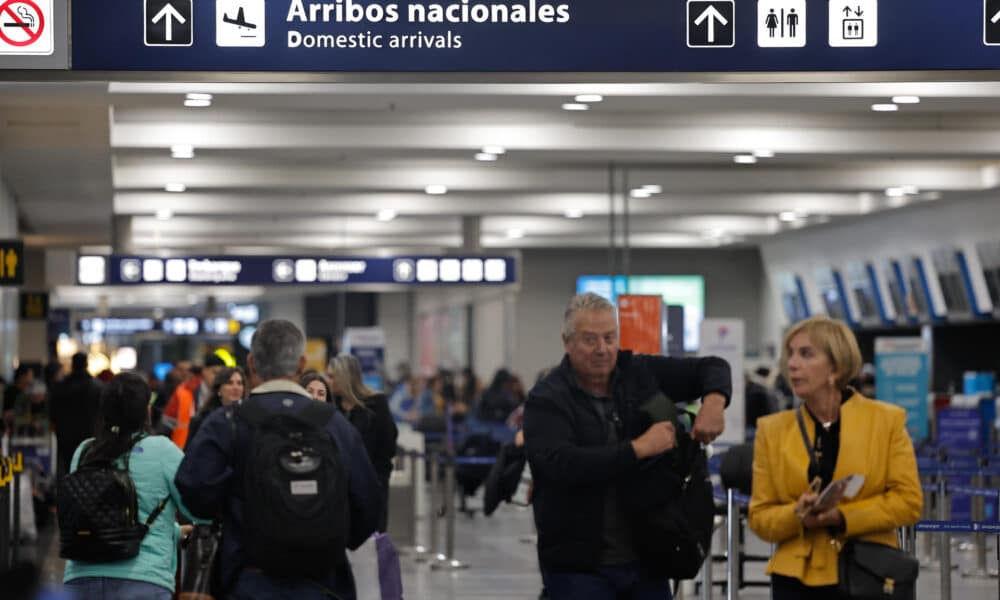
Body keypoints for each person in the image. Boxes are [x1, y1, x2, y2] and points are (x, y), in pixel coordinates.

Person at [523, 293, 731, 600]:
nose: (603, 349)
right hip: (577, 564)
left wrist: (714, 402)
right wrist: (638, 449)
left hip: (647, 556)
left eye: (609, 338)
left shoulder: (637, 374)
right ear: (567, 342)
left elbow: (712, 367)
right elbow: (562, 464)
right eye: (590, 340)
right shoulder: (547, 399)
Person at [175, 320, 383, 599]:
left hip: (248, 578)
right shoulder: (334, 424)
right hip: (323, 580)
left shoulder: (228, 423)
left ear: (251, 364)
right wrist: (328, 537)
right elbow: (369, 502)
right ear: (301, 365)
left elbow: (192, 489)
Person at [748, 316, 922, 599]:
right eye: (790, 354)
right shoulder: (772, 430)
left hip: (868, 572)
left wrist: (842, 516)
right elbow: (760, 517)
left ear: (836, 366)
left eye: (806, 354)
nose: (792, 363)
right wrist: (798, 515)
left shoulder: (886, 422)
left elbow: (908, 502)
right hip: (795, 580)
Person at [62, 373, 201, 599]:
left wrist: (173, 531)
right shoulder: (162, 450)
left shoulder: (85, 450)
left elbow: (96, 516)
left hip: (80, 579)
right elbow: (196, 508)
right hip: (143, 580)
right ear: (145, 410)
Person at [327, 353, 398, 532]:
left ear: (344, 378)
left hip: (373, 481)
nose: (328, 381)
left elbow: (388, 443)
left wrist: (377, 477)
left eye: (332, 376)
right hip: (341, 487)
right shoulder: (331, 408)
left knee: (374, 537)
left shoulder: (376, 404)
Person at [49, 352, 102, 479]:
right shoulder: (98, 387)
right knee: (89, 472)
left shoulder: (60, 387)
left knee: (68, 470)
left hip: (65, 437)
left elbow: (53, 412)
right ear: (87, 364)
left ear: (72, 365)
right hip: (91, 436)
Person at [187, 366, 246, 445]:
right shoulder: (203, 418)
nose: (236, 387)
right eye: (229, 383)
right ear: (219, 389)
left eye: (239, 383)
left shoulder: (250, 416)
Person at [3, 365, 33, 435]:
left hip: (24, 431)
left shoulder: (26, 393)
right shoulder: (10, 392)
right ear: (22, 377)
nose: (31, 379)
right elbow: (6, 414)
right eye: (30, 376)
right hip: (11, 432)